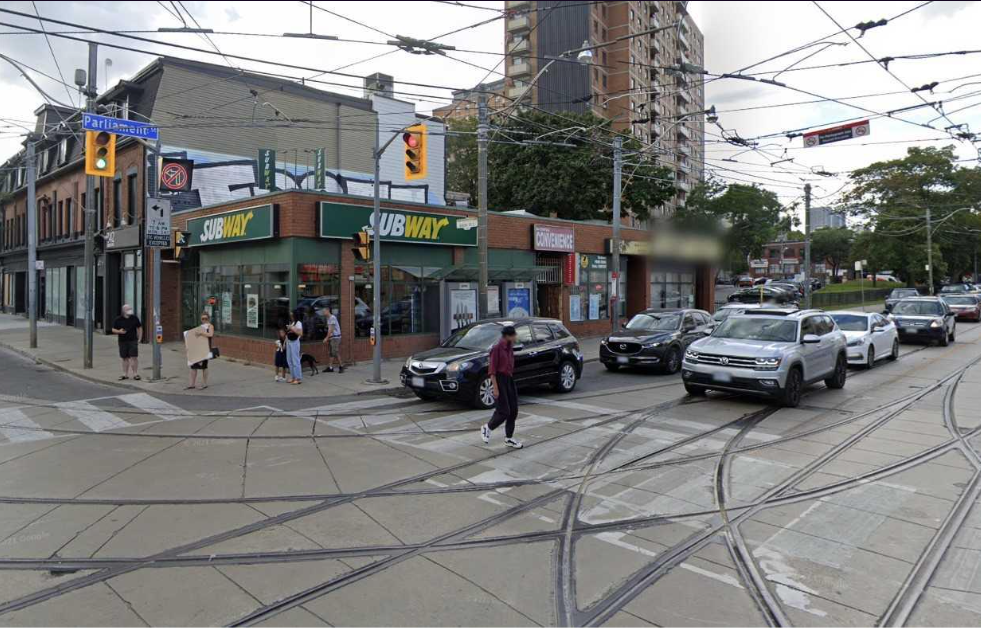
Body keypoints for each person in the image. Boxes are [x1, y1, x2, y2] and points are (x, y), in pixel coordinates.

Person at [480, 325, 523, 449]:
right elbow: (492, 370)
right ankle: (487, 428)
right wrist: (495, 388)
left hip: (509, 379)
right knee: (504, 411)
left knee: (513, 410)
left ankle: (509, 438)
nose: (516, 337)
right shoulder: (497, 349)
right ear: (508, 336)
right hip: (499, 379)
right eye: (514, 335)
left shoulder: (510, 348)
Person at [111, 304, 142, 381]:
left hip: (133, 340)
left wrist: (140, 338)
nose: (130, 310)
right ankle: (125, 374)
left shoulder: (134, 318)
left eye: (130, 308)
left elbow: (139, 328)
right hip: (122, 341)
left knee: (134, 357)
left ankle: (135, 374)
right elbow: (113, 330)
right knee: (124, 358)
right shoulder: (118, 319)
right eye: (128, 309)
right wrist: (119, 331)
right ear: (123, 311)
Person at [187, 312, 214, 390]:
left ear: (208, 318)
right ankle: (192, 384)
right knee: (193, 365)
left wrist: (201, 333)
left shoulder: (210, 326)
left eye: (206, 318)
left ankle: (205, 383)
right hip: (198, 348)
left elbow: (210, 334)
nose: (204, 320)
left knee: (204, 366)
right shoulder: (200, 327)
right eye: (203, 319)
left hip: (205, 348)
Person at [322, 305, 344, 373]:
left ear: (328, 310)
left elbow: (331, 329)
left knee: (334, 352)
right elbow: (329, 328)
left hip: (336, 337)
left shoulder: (332, 318)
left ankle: (340, 366)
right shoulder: (328, 318)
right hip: (332, 337)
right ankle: (332, 367)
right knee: (333, 352)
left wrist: (326, 338)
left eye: (324, 311)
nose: (323, 313)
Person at [285, 309, 303, 385]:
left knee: (295, 360)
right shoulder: (292, 323)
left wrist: (292, 328)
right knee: (289, 360)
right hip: (289, 342)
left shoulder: (298, 323)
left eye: (292, 315)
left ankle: (298, 378)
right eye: (290, 315)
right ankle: (293, 377)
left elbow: (300, 333)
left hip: (294, 342)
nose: (291, 316)